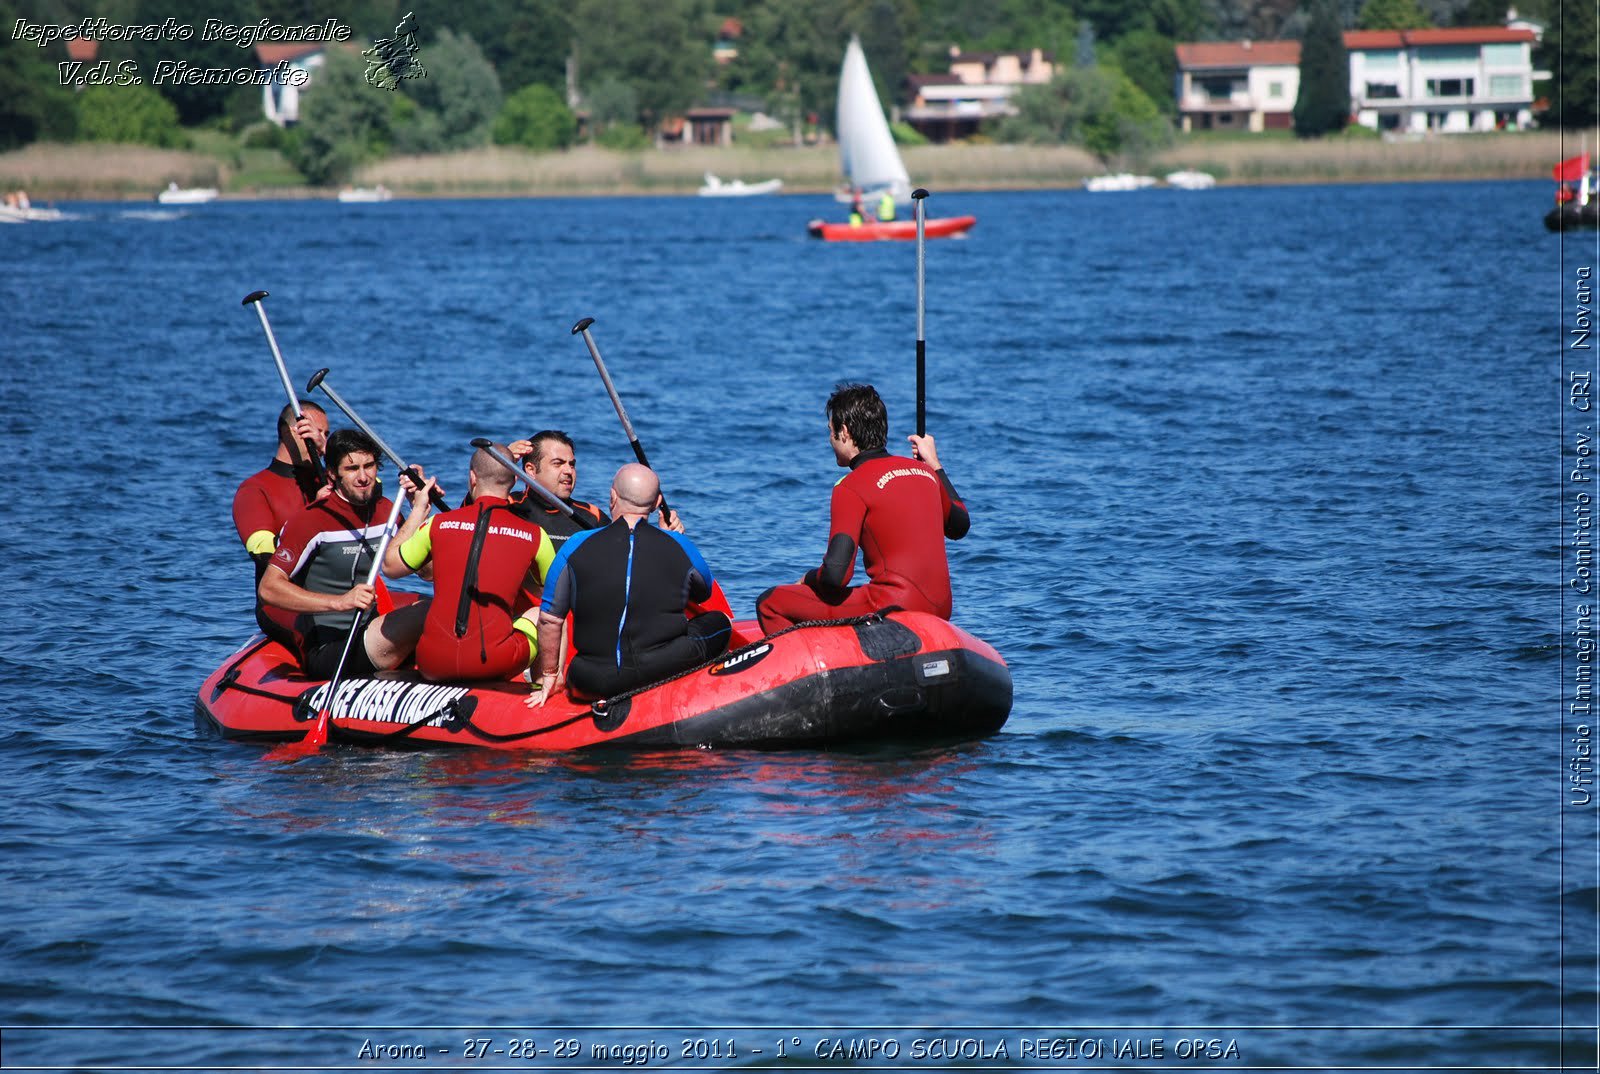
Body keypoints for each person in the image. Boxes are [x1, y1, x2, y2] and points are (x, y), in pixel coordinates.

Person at [755, 383, 970, 634]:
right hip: (941, 609)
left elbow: (836, 576)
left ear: (844, 432)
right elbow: (959, 525)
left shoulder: (850, 487)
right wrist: (934, 464)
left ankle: (816, 666)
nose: (829, 439)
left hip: (896, 607)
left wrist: (809, 579)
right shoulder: (925, 472)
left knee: (771, 603)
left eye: (831, 431)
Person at [528, 463, 731, 704]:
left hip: (588, 679)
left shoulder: (575, 544)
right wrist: (673, 539)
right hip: (660, 669)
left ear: (612, 497)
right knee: (720, 622)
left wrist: (550, 674)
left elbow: (550, 618)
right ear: (657, 504)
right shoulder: (678, 545)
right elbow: (702, 593)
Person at [258, 428, 432, 678]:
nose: (363, 477)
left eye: (369, 466)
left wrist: (421, 511)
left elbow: (427, 572)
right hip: (331, 647)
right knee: (426, 612)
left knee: (445, 608)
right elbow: (268, 589)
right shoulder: (312, 520)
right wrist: (340, 602)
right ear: (332, 474)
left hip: (372, 633)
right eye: (352, 469)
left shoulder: (386, 511)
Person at [383, 442, 555, 682]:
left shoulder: (438, 524)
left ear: (473, 478)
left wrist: (419, 510)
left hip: (432, 662)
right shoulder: (535, 535)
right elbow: (558, 599)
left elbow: (389, 567)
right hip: (494, 663)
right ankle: (543, 688)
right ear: (514, 482)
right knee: (541, 612)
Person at [232, 401, 330, 644]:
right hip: (282, 603)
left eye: (327, 435)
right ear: (293, 432)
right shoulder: (254, 490)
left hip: (341, 593)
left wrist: (331, 454)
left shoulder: (333, 483)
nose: (321, 441)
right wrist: (314, 513)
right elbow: (265, 555)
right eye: (317, 433)